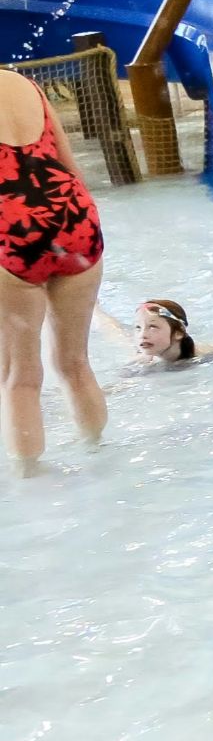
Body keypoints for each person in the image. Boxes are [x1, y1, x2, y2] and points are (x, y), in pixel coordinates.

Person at [0, 68, 106, 471]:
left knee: (19, 379)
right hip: (73, 216)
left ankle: (32, 486)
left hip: (11, 227)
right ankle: (99, 456)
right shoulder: (23, 83)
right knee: (75, 364)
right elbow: (68, 162)